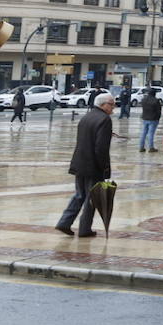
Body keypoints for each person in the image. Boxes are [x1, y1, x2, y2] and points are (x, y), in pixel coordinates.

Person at [56, 93, 114, 237]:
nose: (113, 107)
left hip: (79, 163)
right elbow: (101, 148)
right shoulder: (104, 119)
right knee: (92, 198)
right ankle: (84, 229)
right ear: (103, 104)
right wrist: (104, 168)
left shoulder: (87, 116)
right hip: (93, 166)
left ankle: (64, 222)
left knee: (79, 195)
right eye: (111, 104)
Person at [139, 88, 163, 153]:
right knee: (151, 134)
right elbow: (159, 111)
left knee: (143, 133)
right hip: (153, 119)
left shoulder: (143, 100)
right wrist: (158, 118)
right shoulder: (156, 100)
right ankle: (151, 147)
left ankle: (141, 147)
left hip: (145, 118)